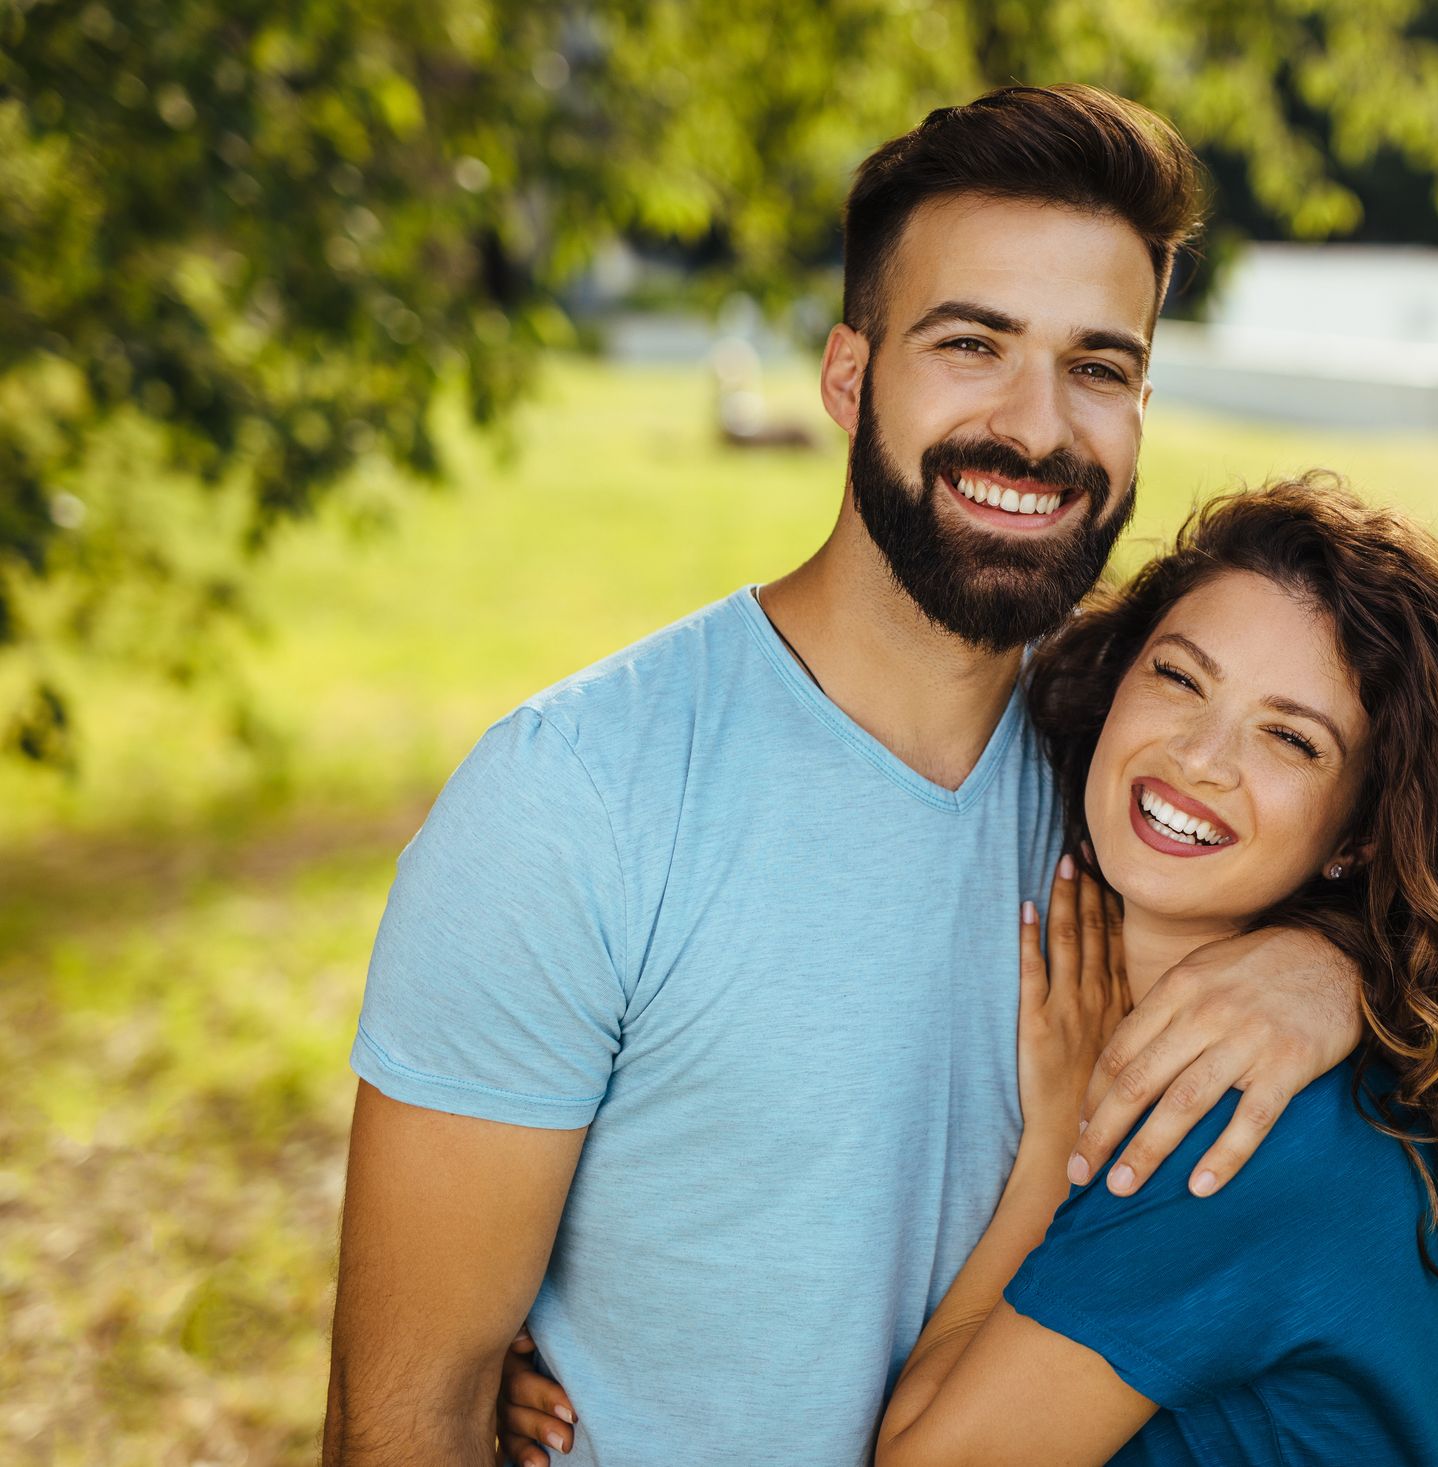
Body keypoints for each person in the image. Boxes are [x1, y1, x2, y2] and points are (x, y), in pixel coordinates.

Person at [321, 88, 1372, 1467]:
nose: (1039, 426)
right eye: (972, 343)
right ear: (846, 376)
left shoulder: (1135, 771)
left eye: (1098, 367)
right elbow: (407, 1417)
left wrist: (1334, 965)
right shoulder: (578, 799)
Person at [497, 476, 1438, 1465]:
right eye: (1180, 676)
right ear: (1116, 675)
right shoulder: (1078, 963)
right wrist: (606, 1342)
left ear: (1360, 832)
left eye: (1290, 737)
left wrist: (1050, 1143)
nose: (1201, 757)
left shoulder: (1245, 1127)